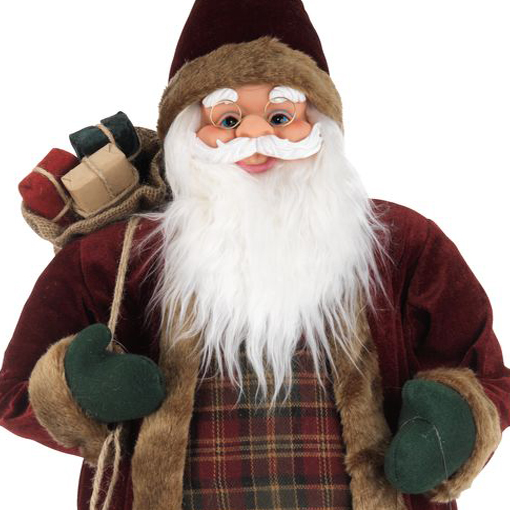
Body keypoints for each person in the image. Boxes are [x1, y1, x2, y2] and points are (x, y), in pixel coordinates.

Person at [1, 1, 509, 510]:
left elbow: (483, 374)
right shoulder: (117, 257)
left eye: (281, 116)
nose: (254, 136)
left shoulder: (403, 243)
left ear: (320, 128)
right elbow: (16, 390)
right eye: (228, 119)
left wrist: (452, 423)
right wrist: (82, 391)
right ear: (188, 136)